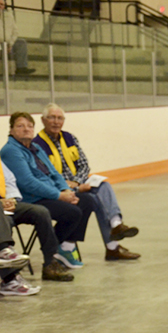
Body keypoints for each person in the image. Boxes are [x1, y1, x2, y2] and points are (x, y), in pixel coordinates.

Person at [33, 103, 141, 261]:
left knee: (104, 186)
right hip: (60, 190)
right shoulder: (37, 145)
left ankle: (116, 223)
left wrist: (77, 182)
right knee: (95, 200)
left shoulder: (70, 137)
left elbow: (84, 164)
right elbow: (45, 175)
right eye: (52, 118)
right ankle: (112, 247)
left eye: (60, 118)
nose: (56, 122)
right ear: (43, 120)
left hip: (78, 183)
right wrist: (71, 186)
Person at [1, 112, 94, 272]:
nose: (26, 129)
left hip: (48, 194)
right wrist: (59, 195)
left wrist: (66, 190)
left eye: (30, 126)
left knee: (87, 200)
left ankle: (65, 246)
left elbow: (54, 173)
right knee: (72, 212)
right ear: (11, 130)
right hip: (32, 198)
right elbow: (29, 183)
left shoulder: (35, 147)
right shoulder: (11, 151)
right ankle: (52, 256)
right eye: (20, 126)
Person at [1, 161, 73, 282]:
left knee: (40, 212)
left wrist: (11, 199)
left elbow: (9, 180)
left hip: (7, 202)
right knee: (6, 221)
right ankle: (10, 277)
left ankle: (50, 262)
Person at [0, 0, 34, 77]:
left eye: (2, 5)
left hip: (6, 42)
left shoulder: (7, 14)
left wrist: (10, 43)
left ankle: (21, 68)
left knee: (21, 42)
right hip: (1, 41)